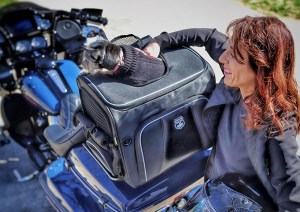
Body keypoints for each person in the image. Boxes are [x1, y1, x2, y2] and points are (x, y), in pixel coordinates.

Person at [143, 16, 300, 211]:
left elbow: (291, 196)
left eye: (234, 55)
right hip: (212, 192)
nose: (224, 58)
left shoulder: (278, 124)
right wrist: (158, 43)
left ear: (260, 66)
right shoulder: (237, 83)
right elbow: (208, 36)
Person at [81, 39, 165, 86]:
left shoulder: (127, 77)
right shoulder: (125, 49)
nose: (83, 63)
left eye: (86, 62)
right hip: (158, 62)